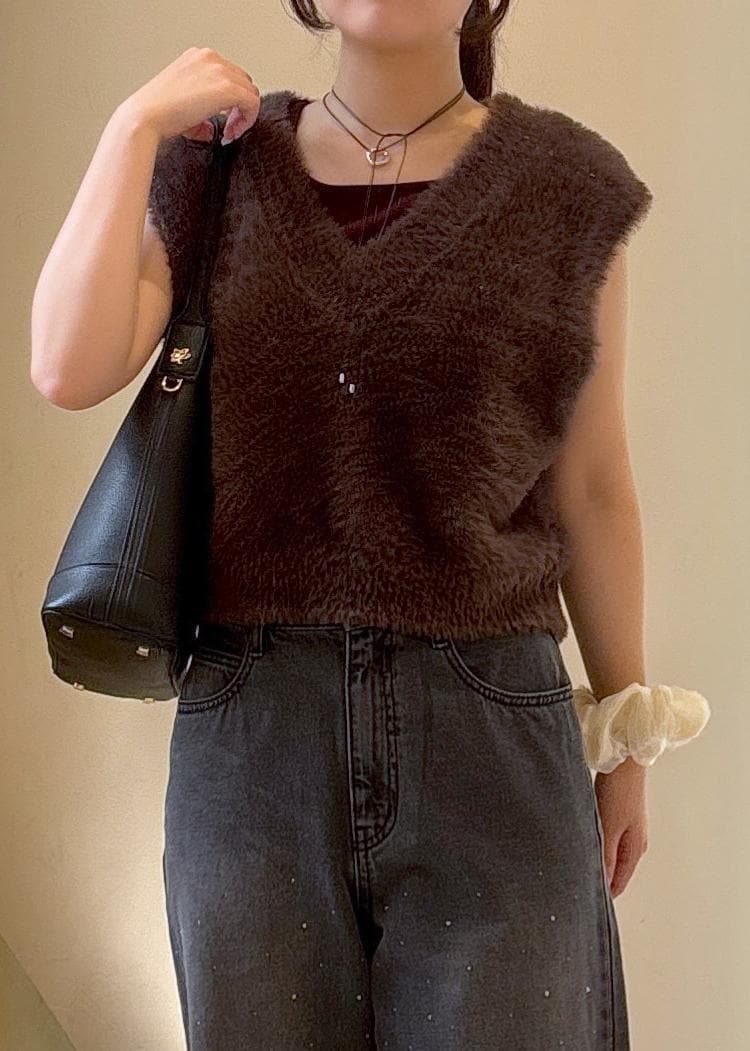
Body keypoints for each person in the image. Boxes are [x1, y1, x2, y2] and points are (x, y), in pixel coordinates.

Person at [30, 2, 710, 1048]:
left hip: (491, 736)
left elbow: (591, 485)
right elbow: (65, 367)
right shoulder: (218, 169)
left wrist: (628, 742)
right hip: (252, 740)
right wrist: (133, 130)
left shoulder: (568, 189)